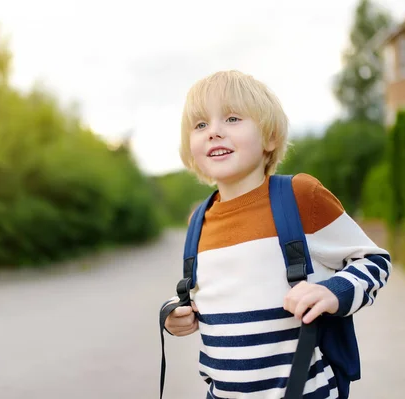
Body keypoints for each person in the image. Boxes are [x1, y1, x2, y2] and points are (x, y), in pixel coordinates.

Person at [162, 70, 391, 399]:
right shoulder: (198, 221)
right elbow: (204, 296)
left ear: (269, 138)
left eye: (231, 118)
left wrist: (333, 292)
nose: (213, 132)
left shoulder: (299, 196)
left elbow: (375, 261)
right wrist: (174, 312)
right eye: (200, 125)